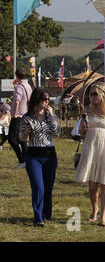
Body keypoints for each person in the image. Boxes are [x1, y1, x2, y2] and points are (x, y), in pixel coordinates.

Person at [75, 82, 105, 227]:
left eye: (95, 94)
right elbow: (81, 132)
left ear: (103, 95)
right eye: (91, 94)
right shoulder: (87, 110)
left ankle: (103, 218)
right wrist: (82, 128)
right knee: (92, 185)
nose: (92, 96)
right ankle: (95, 209)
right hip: (91, 148)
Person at [18, 88, 60, 226]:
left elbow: (57, 132)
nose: (47, 102)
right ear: (37, 99)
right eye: (44, 99)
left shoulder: (50, 116)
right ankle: (38, 218)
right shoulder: (27, 117)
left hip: (49, 155)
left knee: (48, 187)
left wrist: (52, 116)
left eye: (48, 99)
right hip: (34, 155)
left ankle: (47, 215)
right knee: (38, 187)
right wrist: (25, 133)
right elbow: (21, 138)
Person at [9, 68, 33, 169]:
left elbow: (18, 101)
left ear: (16, 76)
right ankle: (27, 160)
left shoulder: (19, 86)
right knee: (22, 138)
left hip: (18, 115)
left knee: (11, 139)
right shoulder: (28, 86)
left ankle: (22, 160)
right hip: (26, 114)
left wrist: (14, 114)